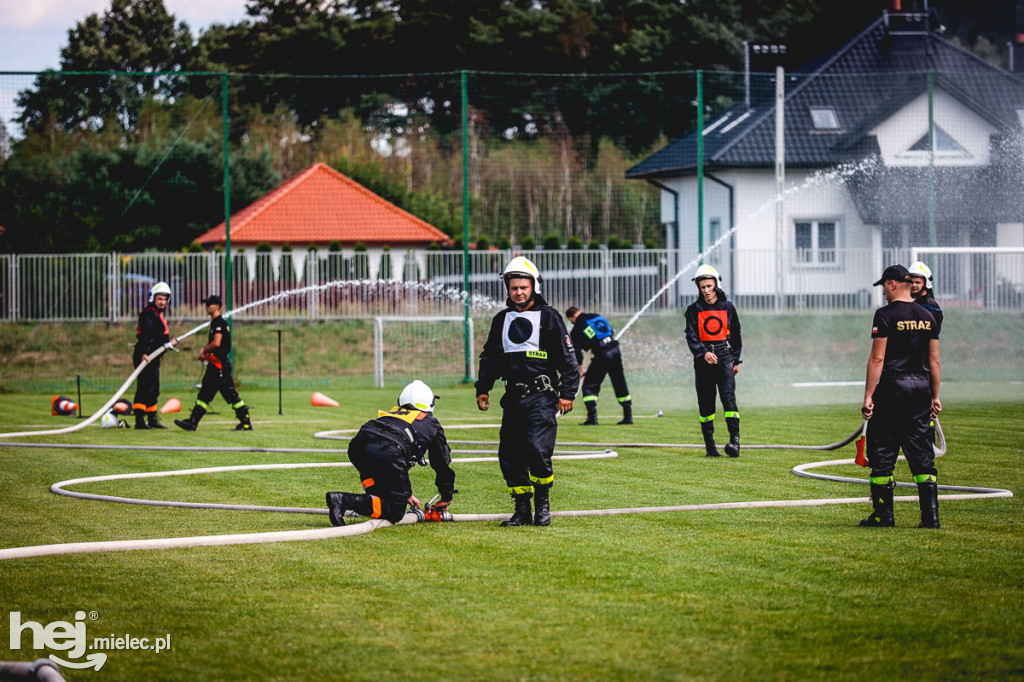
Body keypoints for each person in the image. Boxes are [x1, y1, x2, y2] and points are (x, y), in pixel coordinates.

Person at [476, 256, 580, 527]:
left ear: (534, 286)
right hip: (512, 398)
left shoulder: (550, 317)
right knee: (509, 455)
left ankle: (542, 504)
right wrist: (483, 387)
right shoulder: (501, 319)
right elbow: (490, 357)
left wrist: (568, 392)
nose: (519, 292)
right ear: (508, 290)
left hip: (542, 397)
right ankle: (522, 509)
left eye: (523, 287)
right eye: (514, 288)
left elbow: (568, 358)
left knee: (536, 449)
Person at [860, 264, 942, 529]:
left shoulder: (884, 315)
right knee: (921, 452)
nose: (883, 291)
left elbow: (878, 357)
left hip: (893, 388)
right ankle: (930, 517)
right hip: (920, 389)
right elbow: (934, 361)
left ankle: (884, 515)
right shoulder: (928, 316)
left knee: (883, 451)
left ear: (893, 284)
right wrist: (935, 396)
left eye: (884, 286)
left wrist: (868, 396)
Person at [325, 380, 456, 526]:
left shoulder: (394, 413)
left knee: (382, 497)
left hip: (358, 447)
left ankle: (347, 502)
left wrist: (406, 494)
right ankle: (342, 501)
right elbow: (441, 463)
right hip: (388, 452)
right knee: (395, 511)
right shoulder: (431, 423)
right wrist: (446, 495)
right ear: (430, 403)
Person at [684, 264, 743, 458]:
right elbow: (691, 337)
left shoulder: (728, 307)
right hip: (703, 363)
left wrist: (735, 360)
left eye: (709, 286)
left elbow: (736, 334)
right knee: (706, 404)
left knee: (728, 400)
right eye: (703, 288)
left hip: (725, 358)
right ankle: (710, 447)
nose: (707, 291)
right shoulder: (693, 310)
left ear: (716, 284)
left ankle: (735, 442)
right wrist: (703, 353)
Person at [174, 295, 252, 432]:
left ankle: (245, 422)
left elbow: (217, 343)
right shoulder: (216, 323)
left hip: (219, 366)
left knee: (230, 395)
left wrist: (204, 350)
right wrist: (205, 353)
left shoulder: (218, 323)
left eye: (209, 304)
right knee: (205, 394)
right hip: (216, 365)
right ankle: (192, 422)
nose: (206, 307)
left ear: (216, 306)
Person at [565, 306, 633, 425]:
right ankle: (628, 417)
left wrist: (580, 370)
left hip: (602, 354)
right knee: (619, 382)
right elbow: (608, 331)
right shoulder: (597, 316)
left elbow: (577, 353)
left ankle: (592, 418)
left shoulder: (577, 329)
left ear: (571, 318)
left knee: (589, 385)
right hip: (615, 350)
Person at [132, 281, 178, 429]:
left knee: (154, 388)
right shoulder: (148, 315)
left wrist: (169, 343)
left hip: (155, 356)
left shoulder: (158, 315)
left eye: (164, 299)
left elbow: (160, 336)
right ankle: (140, 420)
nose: (162, 302)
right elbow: (146, 336)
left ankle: (152, 418)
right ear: (153, 298)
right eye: (159, 299)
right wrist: (145, 353)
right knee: (144, 387)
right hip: (145, 355)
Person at [908, 261, 943, 328]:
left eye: (917, 282)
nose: (913, 285)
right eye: (911, 282)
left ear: (926, 283)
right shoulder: (919, 303)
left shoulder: (929, 306)